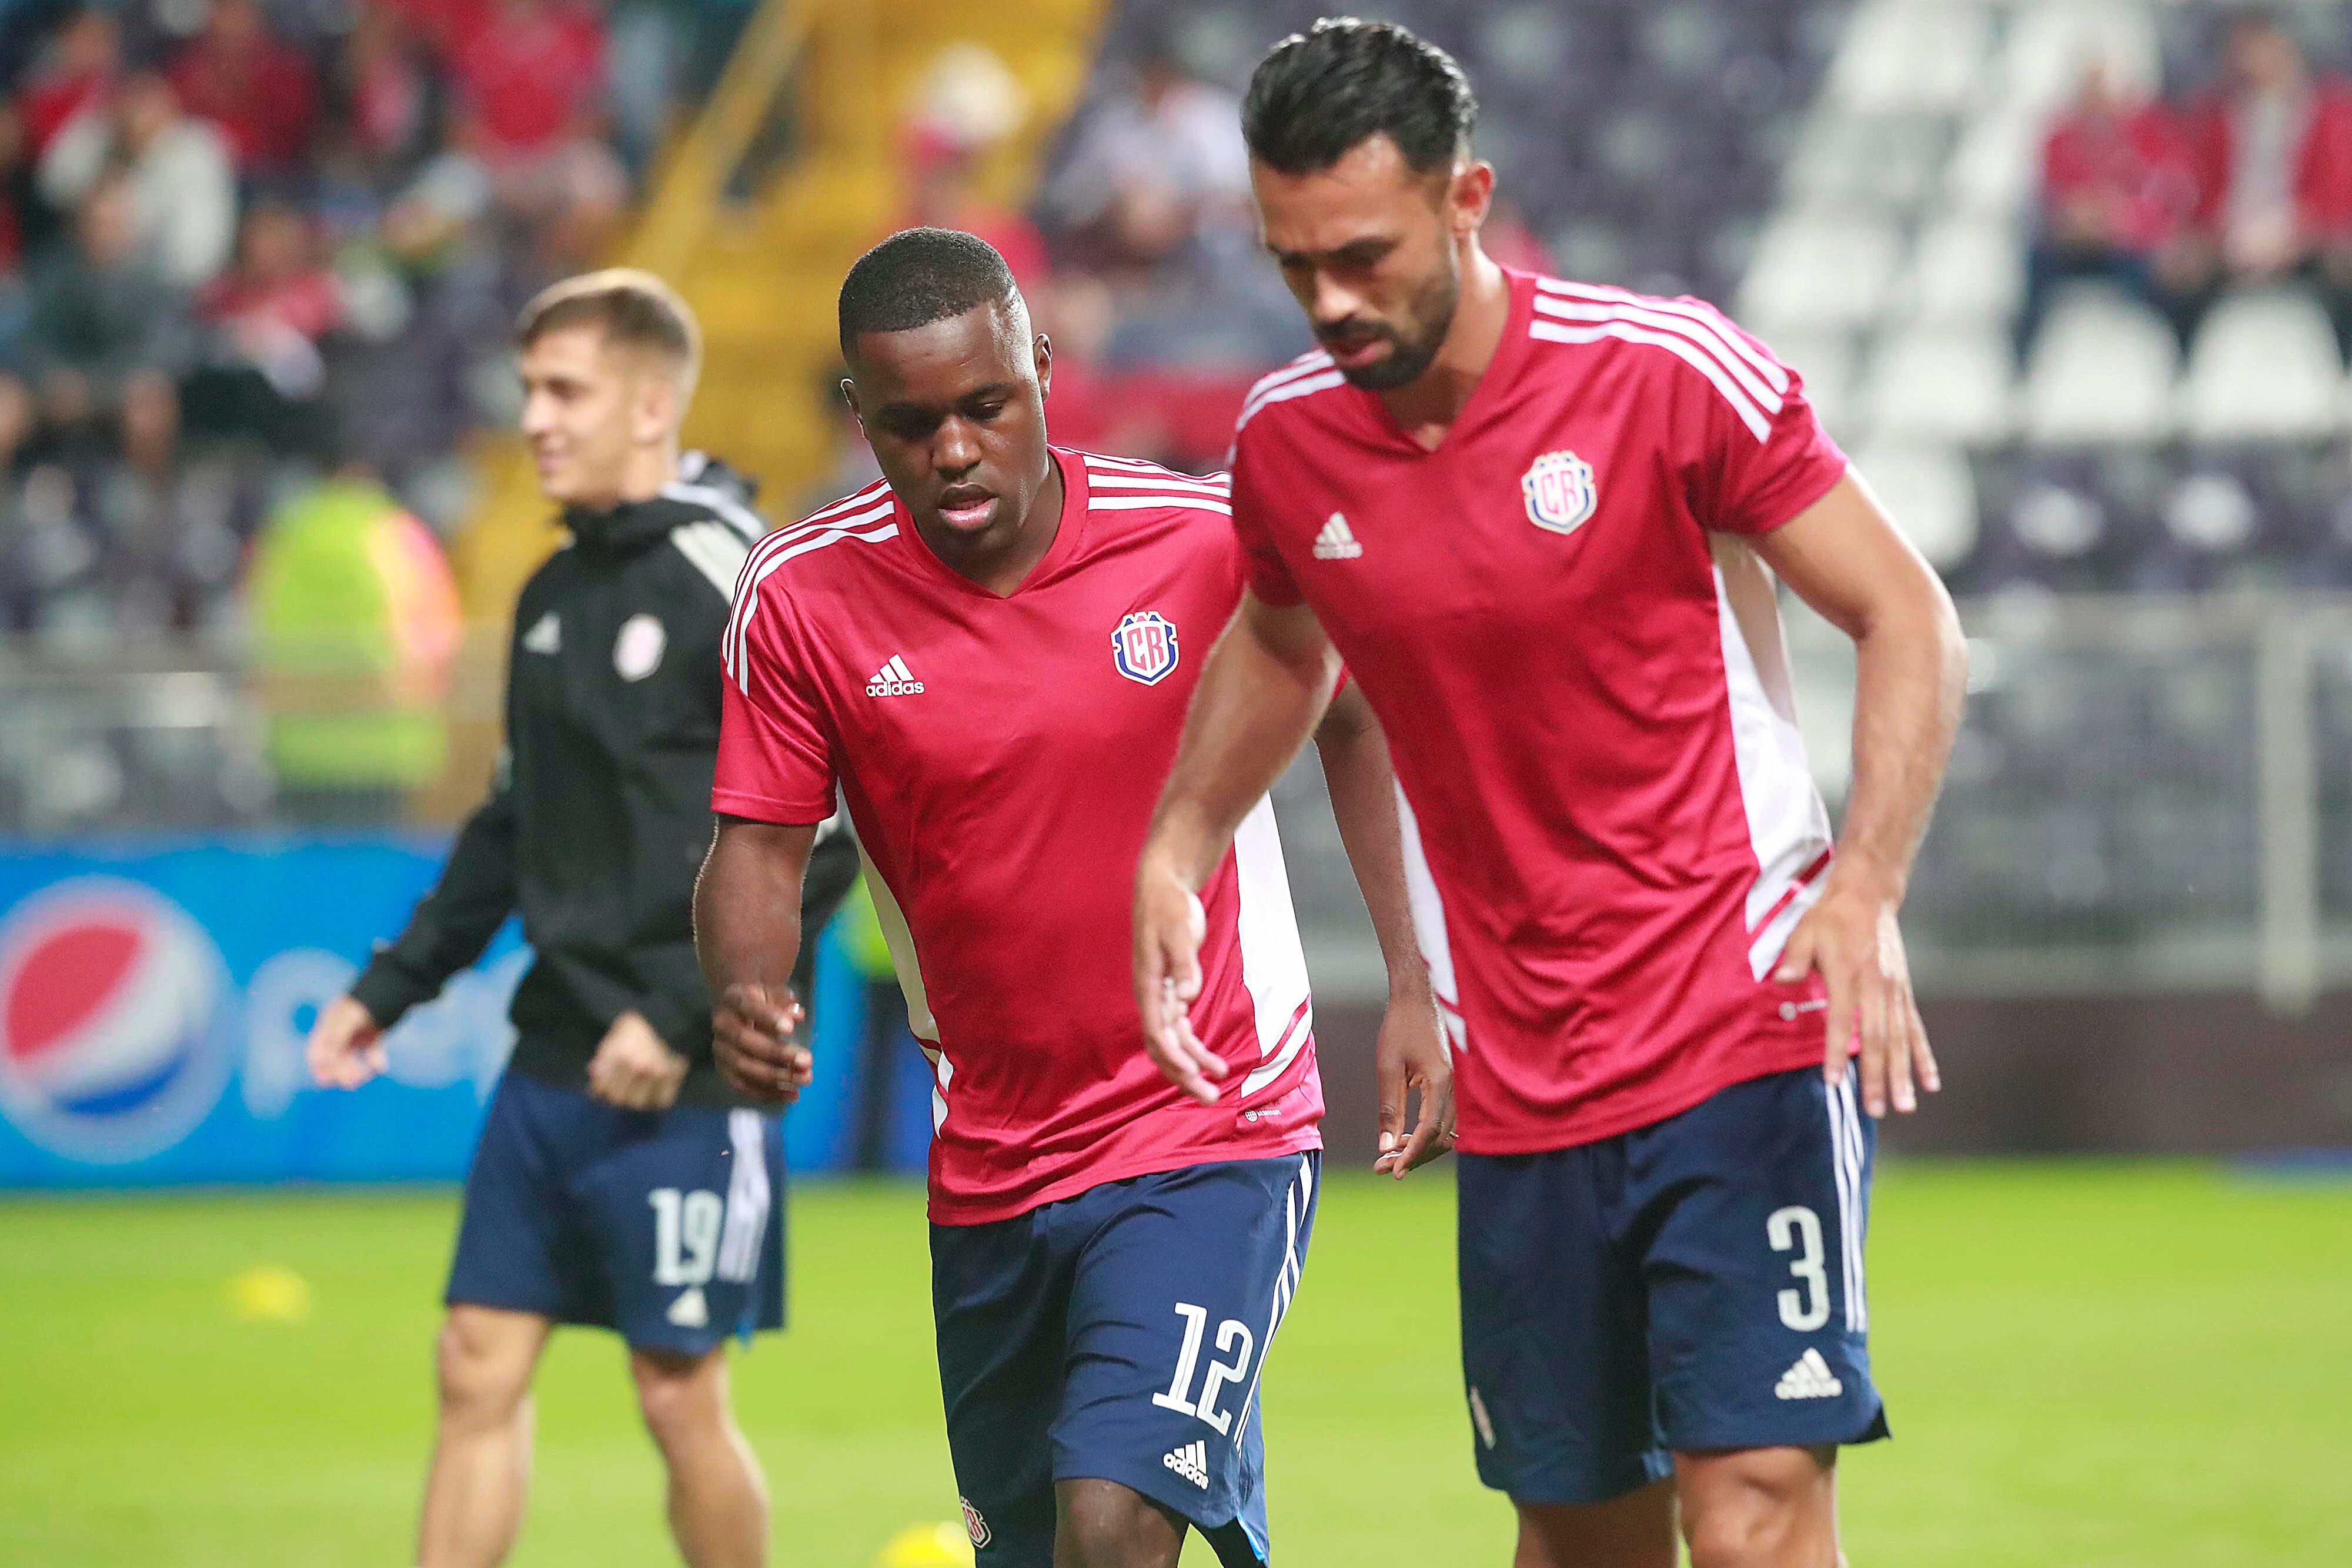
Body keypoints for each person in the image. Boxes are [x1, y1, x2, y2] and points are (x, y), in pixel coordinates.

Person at [1132, 22, 1966, 1568]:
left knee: (1752, 1505)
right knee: (1580, 1532)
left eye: (1364, 257)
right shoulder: (1289, 443)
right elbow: (1282, 640)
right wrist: (1180, 838)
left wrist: (1863, 883)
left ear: (1467, 199)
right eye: (1294, 263)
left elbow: (1905, 612)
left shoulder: (1664, 372)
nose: (1330, 300)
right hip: (1517, 1067)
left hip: (1739, 1016)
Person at [695, 228, 1450, 1568]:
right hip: (992, 1153)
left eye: (987, 405)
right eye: (911, 424)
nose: (955, 450)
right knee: (1046, 1546)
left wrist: (1413, 976)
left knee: (1113, 1521)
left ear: (1043, 369)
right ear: (861, 415)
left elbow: (1355, 713)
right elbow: (757, 846)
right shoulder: (799, 598)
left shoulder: (1200, 539)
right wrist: (750, 997)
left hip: (1216, 1119)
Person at [305, 269, 858, 1568]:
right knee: (474, 1359)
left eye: (566, 391)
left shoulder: (736, 575)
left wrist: (681, 1015)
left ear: (653, 404)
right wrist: (389, 987)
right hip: (556, 1045)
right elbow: (513, 820)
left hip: (697, 1062)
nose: (535, 419)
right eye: (529, 391)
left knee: (676, 1393)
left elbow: (827, 837)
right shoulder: (553, 588)